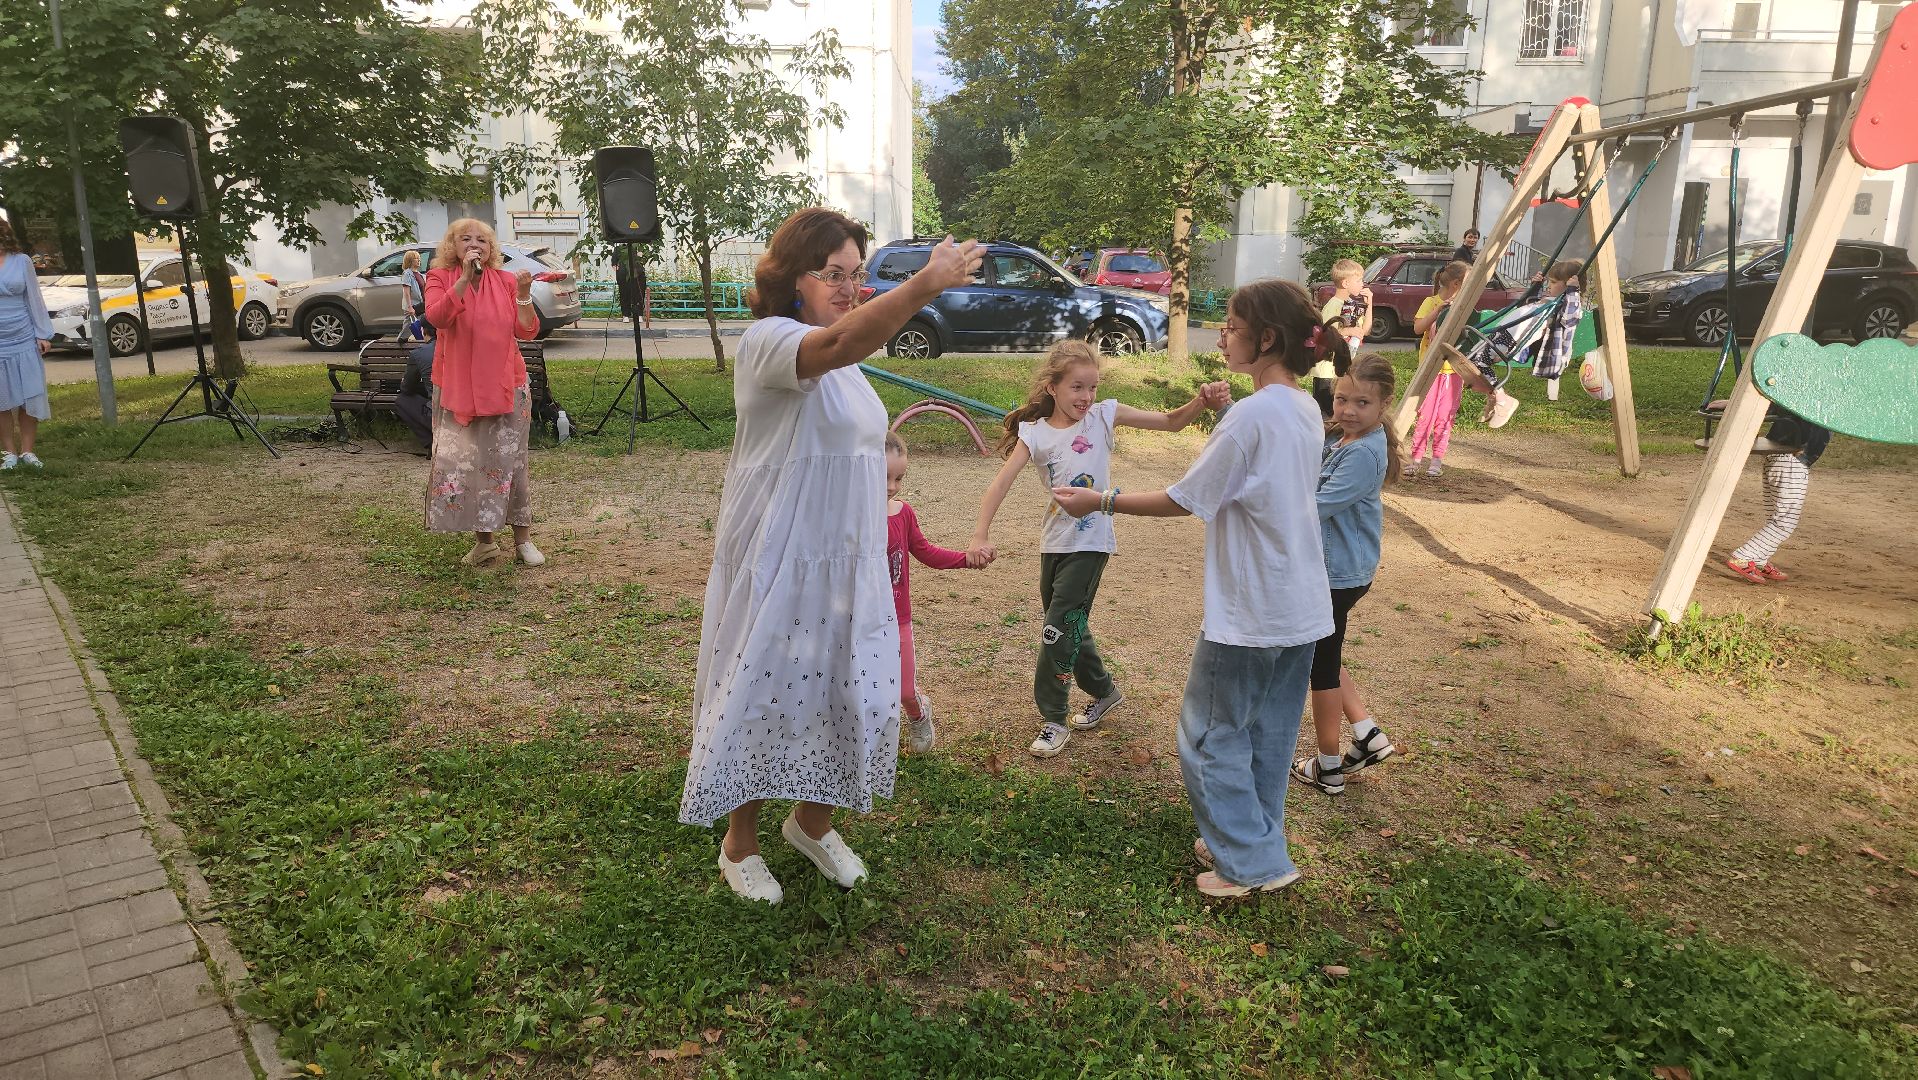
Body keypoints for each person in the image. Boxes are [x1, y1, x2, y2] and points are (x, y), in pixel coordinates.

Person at [679, 208, 982, 905]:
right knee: (760, 693)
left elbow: (851, 346)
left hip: (845, 560)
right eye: (833, 274)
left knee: (853, 691)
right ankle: (740, 844)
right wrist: (924, 285)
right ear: (793, 278)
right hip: (778, 558)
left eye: (857, 274)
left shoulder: (848, 366)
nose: (850, 287)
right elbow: (841, 341)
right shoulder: (768, 341)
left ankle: (811, 825)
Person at [1052, 279, 1338, 897]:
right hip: (1302, 605)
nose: (1222, 337)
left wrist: (1100, 500)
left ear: (1267, 339)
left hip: (1254, 610)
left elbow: (1187, 499)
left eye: (1232, 327)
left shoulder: (1249, 416)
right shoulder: (1303, 408)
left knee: (1207, 731)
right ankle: (1252, 838)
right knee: (1267, 732)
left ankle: (1249, 863)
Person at [970, 340, 1228, 759]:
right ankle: (1105, 691)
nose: (1086, 396)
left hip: (1091, 543)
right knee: (1069, 622)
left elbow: (1171, 422)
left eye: (1092, 387)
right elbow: (999, 484)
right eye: (1077, 387)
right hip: (1054, 542)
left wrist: (1200, 401)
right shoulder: (1034, 433)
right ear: (1052, 387)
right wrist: (980, 533)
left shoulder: (1104, 415)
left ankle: (1054, 719)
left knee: (1057, 628)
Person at [1292, 354, 1401, 796]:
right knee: (1326, 651)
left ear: (1384, 405)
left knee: (1319, 666)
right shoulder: (1342, 438)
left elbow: (1314, 508)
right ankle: (1368, 734)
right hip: (1336, 570)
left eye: (1362, 403)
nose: (1349, 410)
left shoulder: (1363, 453)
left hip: (1338, 575)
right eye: (1341, 399)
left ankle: (1329, 767)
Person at [422, 218, 545, 569]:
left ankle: (523, 540)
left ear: (491, 249)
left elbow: (527, 330)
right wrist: (464, 279)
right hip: (457, 389)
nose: (475, 245)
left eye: (482, 240)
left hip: (507, 386)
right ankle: (485, 544)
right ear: (453, 246)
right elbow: (438, 318)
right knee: (471, 466)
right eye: (466, 239)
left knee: (511, 464)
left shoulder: (505, 280)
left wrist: (523, 295)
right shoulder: (439, 278)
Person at [886, 431, 992, 754]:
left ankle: (918, 714)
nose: (892, 486)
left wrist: (966, 559)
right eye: (884, 477)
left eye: (899, 478)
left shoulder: (903, 514)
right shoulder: (850, 518)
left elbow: (926, 552)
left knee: (905, 690)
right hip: (861, 621)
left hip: (898, 619)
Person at [1726, 417, 1829, 584]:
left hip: (1777, 455)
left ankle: (1759, 559)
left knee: (1775, 518)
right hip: (1792, 460)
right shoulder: (1819, 402)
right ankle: (1743, 557)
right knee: (1784, 522)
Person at [0, 219, 52, 471]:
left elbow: (34, 297)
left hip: (23, 336)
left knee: (29, 394)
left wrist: (42, 334)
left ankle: (28, 451)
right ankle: (9, 453)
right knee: (1, 399)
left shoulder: (22, 262)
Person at [1410, 261, 1468, 476]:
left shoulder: (1463, 306)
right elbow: (1418, 328)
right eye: (1468, 282)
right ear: (1456, 284)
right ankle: (1416, 458)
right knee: (1425, 415)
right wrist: (1438, 311)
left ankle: (1436, 460)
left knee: (1445, 416)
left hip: (1454, 371)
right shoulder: (1431, 301)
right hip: (1430, 370)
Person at [1315, 259, 1370, 416]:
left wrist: (1370, 303)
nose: (1362, 284)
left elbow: (1365, 331)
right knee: (1326, 412)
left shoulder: (1350, 305)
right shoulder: (1334, 304)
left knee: (1335, 410)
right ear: (1345, 283)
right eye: (1358, 280)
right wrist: (1349, 330)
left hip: (1339, 369)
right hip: (1326, 370)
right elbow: (1326, 333)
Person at [1531, 260, 1585, 401]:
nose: (1549, 285)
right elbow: (1532, 309)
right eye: (1549, 281)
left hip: (1553, 355)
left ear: (1568, 285)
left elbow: (1569, 319)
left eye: (1553, 282)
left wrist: (1573, 291)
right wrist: (1535, 287)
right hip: (1539, 348)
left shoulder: (1572, 306)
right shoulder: (1552, 300)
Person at [398, 250, 430, 345]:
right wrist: (410, 307)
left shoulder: (419, 274)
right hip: (412, 305)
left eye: (419, 258)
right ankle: (398, 344)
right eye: (416, 258)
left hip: (420, 304)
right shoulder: (407, 274)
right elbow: (406, 292)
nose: (419, 260)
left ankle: (422, 344)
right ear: (410, 260)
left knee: (421, 325)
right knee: (408, 326)